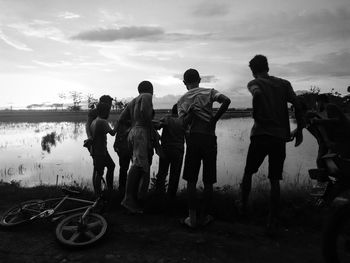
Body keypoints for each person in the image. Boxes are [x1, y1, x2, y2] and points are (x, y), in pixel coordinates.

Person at [239, 55, 304, 232]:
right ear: (267, 66)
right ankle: (271, 219)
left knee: (248, 173)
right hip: (278, 138)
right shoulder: (284, 83)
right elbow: (298, 105)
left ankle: (243, 208)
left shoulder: (254, 83)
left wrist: (257, 115)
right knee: (274, 180)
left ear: (253, 70)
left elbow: (257, 94)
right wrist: (299, 130)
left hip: (260, 135)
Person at [177, 68, 231, 228]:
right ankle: (205, 216)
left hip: (193, 139)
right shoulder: (210, 92)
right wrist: (214, 120)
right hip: (209, 138)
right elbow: (227, 100)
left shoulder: (182, 100)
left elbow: (182, 124)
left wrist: (191, 114)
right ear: (199, 79)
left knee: (191, 180)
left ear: (184, 83)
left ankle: (192, 219)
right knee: (208, 180)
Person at [118, 81, 154, 213]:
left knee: (138, 165)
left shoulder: (133, 101)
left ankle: (134, 198)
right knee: (137, 165)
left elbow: (122, 118)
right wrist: (148, 124)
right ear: (150, 89)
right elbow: (145, 112)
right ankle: (128, 199)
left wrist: (135, 125)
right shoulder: (146, 96)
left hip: (133, 132)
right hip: (141, 133)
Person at [154, 104, 185, 200]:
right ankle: (171, 197)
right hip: (178, 150)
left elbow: (158, 126)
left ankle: (159, 196)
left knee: (162, 173)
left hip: (166, 150)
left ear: (172, 110)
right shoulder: (183, 120)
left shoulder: (167, 118)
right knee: (175, 175)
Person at [90, 102, 117, 196]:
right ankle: (99, 195)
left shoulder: (94, 121)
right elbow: (113, 133)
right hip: (100, 151)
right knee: (100, 172)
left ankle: (107, 190)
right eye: (109, 111)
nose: (109, 113)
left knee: (110, 166)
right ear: (105, 111)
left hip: (98, 150)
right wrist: (118, 124)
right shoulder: (102, 121)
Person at [113, 119, 132, 196]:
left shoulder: (121, 123)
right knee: (124, 169)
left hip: (125, 149)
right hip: (124, 150)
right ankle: (123, 189)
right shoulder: (123, 124)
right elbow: (117, 137)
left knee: (124, 169)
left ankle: (123, 188)